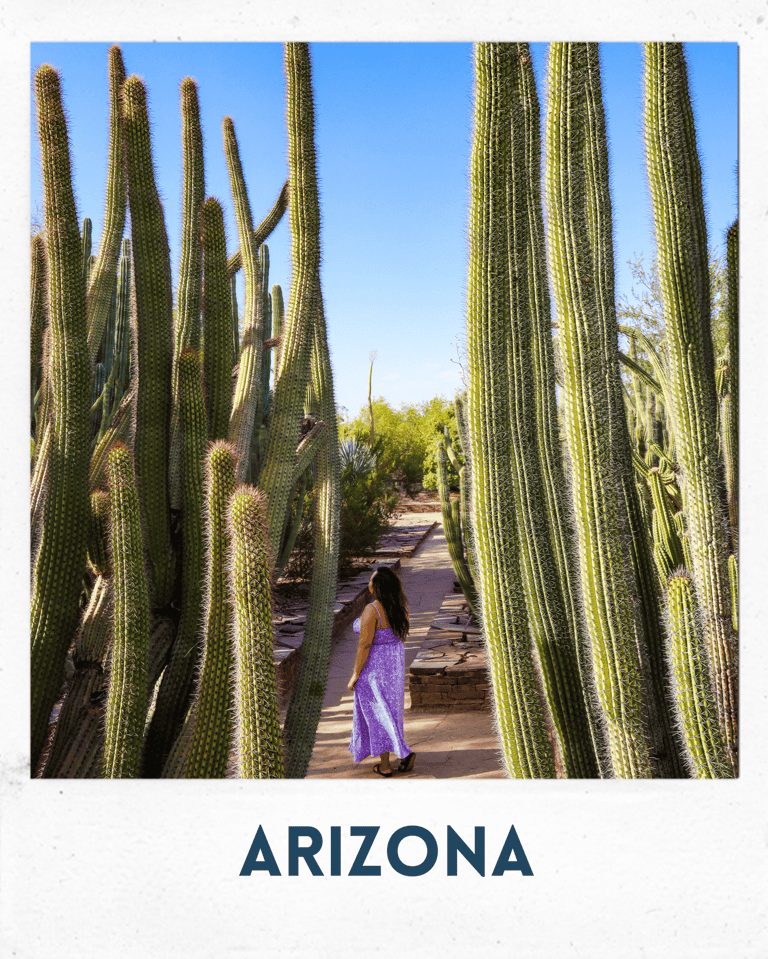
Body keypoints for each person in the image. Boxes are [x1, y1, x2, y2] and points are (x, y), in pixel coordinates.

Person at [347, 566, 415, 776]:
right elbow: (400, 639)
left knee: (377, 713)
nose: (368, 583)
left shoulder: (372, 609)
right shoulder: (401, 608)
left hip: (374, 670)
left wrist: (355, 675)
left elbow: (364, 645)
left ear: (377, 586)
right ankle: (402, 755)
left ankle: (385, 765)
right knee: (390, 712)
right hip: (394, 668)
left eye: (371, 579)